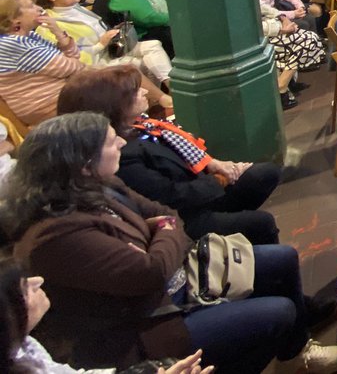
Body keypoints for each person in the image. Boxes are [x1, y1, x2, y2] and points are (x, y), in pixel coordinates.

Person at [2, 112, 337, 374]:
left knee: (282, 258)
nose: (122, 142)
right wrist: (163, 236)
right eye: (110, 142)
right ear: (83, 162)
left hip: (175, 279)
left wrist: (161, 233)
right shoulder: (54, 235)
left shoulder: (101, 185)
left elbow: (166, 215)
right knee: (278, 311)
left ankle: (297, 347)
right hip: (142, 325)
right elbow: (149, 273)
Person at [56, 66, 282, 245]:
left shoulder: (143, 126)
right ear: (114, 106)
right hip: (185, 215)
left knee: (264, 174)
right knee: (261, 223)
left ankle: (236, 236)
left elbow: (187, 156)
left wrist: (214, 164)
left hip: (199, 191)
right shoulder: (120, 153)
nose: (145, 91)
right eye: (135, 92)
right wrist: (220, 180)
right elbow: (169, 197)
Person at [0, 257, 214, 374]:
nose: (38, 280)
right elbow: (149, 269)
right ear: (8, 317)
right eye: (25, 288)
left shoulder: (23, 346)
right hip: (146, 325)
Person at [33, 0, 172, 85]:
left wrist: (113, 32)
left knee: (153, 44)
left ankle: (170, 86)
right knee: (136, 64)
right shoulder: (49, 26)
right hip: (94, 62)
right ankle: (157, 100)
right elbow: (72, 57)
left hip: (110, 50)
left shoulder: (79, 9)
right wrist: (101, 44)